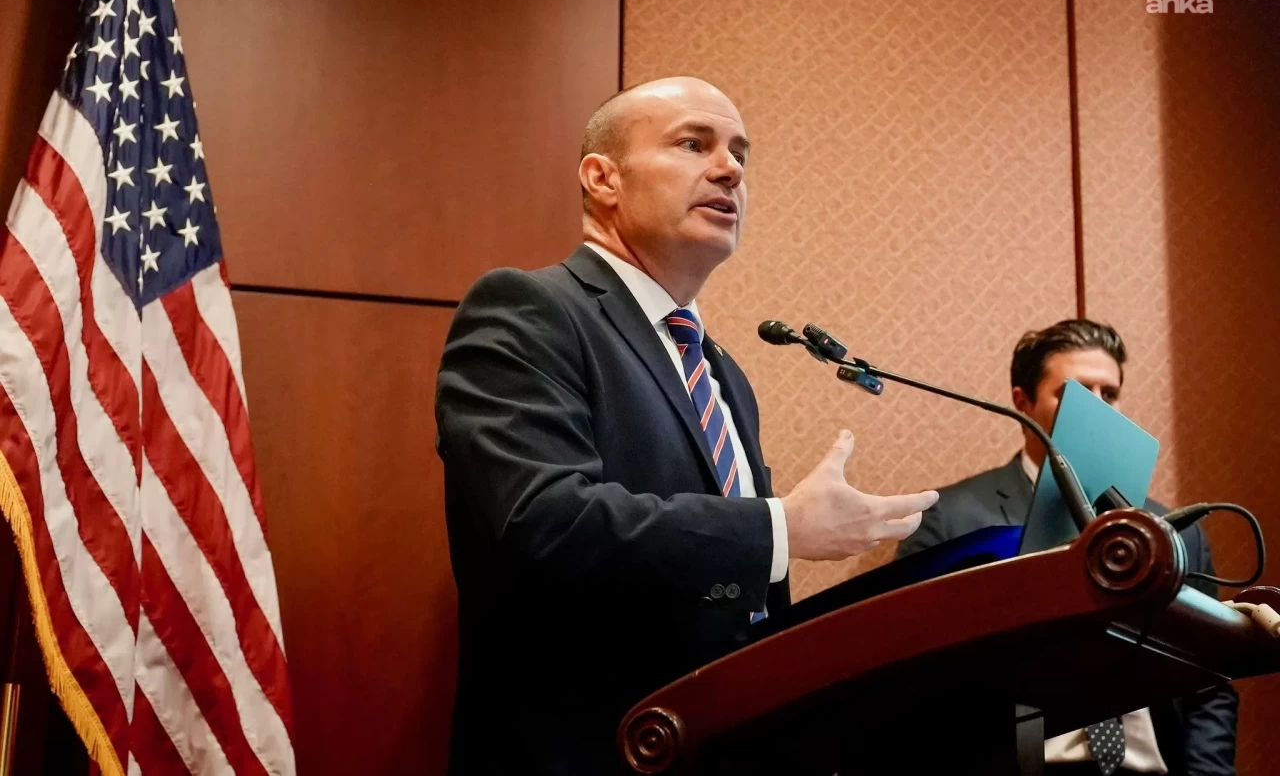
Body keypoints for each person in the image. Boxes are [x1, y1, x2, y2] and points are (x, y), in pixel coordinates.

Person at [435, 76, 939, 774]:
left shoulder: (720, 368)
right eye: (693, 144)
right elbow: (543, 523)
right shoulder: (529, 310)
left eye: (740, 154)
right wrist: (781, 530)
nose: (730, 169)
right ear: (603, 178)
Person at [897, 319, 1238, 776]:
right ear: (1023, 402)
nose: (1097, 408)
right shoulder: (951, 518)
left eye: (1109, 393)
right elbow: (913, 677)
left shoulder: (1176, 532)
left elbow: (1209, 681)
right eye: (1076, 394)